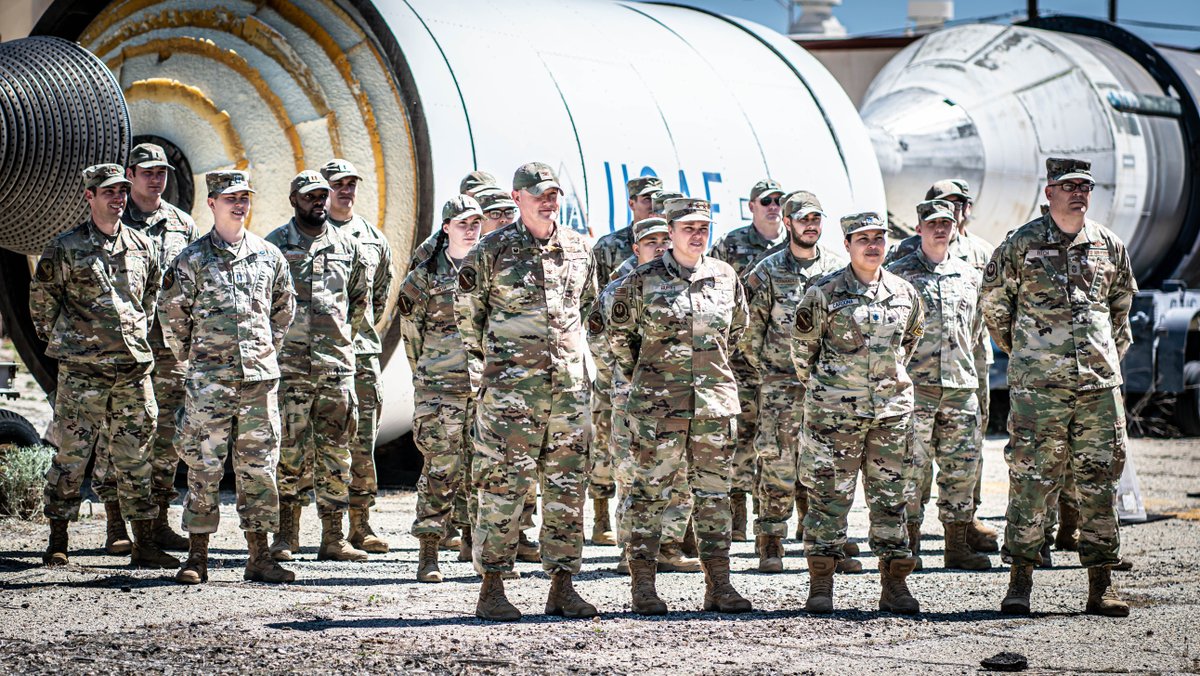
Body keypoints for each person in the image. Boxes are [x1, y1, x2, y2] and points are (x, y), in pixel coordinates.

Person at [982, 158, 1137, 617]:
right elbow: (994, 307)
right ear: (1048, 192)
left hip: (1098, 389)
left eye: (1085, 186)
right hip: (1039, 391)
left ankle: (1101, 586)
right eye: (1068, 186)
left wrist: (1102, 359)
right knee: (1031, 482)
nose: (1078, 193)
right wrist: (1029, 356)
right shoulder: (1022, 245)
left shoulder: (1109, 245)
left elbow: (1121, 308)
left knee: (1099, 484)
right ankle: (1020, 583)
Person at [456, 162, 598, 621]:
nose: (548, 200)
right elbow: (469, 318)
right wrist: (500, 372)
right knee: (502, 487)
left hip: (569, 393)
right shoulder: (492, 250)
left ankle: (563, 585)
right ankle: (493, 586)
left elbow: (587, 308)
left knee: (566, 488)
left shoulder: (579, 249)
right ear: (517, 198)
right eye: (538, 193)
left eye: (553, 192)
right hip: (511, 395)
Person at [607, 197, 752, 616]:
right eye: (688, 226)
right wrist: (654, 377)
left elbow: (736, 332)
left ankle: (719, 586)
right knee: (649, 495)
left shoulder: (725, 277)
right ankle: (644, 587)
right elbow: (622, 340)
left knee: (714, 496)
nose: (697, 233)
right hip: (658, 407)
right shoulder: (642, 280)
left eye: (703, 225)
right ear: (669, 231)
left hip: (712, 406)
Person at [32, 163, 177, 570]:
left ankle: (144, 543)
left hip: (132, 371)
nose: (117, 198)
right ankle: (58, 537)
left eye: (121, 192)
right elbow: (43, 307)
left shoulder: (141, 245)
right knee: (71, 457)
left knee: (136, 456)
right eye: (108, 192)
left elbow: (149, 301)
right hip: (83, 374)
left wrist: (131, 338)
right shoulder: (66, 247)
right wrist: (75, 345)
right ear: (89, 196)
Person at [159, 170, 297, 584]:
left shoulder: (268, 255)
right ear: (212, 203)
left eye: (244, 197)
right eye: (230, 198)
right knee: (203, 466)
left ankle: (259, 557)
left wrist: (263, 352)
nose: (239, 204)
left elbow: (283, 309)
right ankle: (197, 558)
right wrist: (196, 361)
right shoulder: (191, 259)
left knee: (259, 467)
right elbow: (173, 317)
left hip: (257, 382)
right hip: (209, 381)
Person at [791, 212, 925, 615]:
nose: (872, 245)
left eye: (878, 238)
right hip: (835, 417)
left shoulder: (905, 293)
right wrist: (834, 389)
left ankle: (894, 586)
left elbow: (910, 343)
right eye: (862, 238)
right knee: (829, 499)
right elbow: (803, 353)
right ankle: (821, 585)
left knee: (891, 500)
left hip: (890, 415)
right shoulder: (824, 292)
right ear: (847, 244)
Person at [90, 143, 197, 556]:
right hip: (123, 347)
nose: (156, 179)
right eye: (148, 172)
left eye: (162, 173)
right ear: (131, 174)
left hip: (169, 348)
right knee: (117, 433)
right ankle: (116, 525)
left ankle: (157, 522)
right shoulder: (113, 217)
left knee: (166, 434)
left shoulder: (181, 224)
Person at [886, 178, 998, 554]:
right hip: (916, 387)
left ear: (955, 226)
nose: (939, 228)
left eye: (946, 223)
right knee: (912, 469)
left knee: (961, 469)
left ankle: (957, 544)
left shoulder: (971, 275)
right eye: (932, 222)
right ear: (919, 228)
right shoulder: (898, 274)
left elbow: (979, 328)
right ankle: (910, 546)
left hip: (961, 385)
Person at [266, 170, 370, 563]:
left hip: (335, 368)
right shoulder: (275, 245)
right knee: (289, 452)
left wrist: (337, 341)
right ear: (294, 199)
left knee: (336, 454)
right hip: (290, 368)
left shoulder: (349, 246)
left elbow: (359, 303)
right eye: (311, 196)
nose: (320, 201)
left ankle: (333, 537)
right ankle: (286, 535)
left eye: (323, 195)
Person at [739, 191, 845, 573]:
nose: (811, 224)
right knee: (777, 465)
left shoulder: (835, 269)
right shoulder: (767, 271)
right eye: (803, 219)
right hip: (781, 387)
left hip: (825, 389)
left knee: (828, 468)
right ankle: (771, 542)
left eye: (816, 218)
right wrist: (772, 371)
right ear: (787, 223)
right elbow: (749, 332)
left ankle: (827, 545)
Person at [587, 217, 698, 576]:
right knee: (632, 474)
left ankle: (668, 546)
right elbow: (599, 341)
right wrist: (623, 382)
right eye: (652, 243)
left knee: (679, 474)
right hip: (633, 398)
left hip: (680, 396)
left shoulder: (686, 287)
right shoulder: (620, 290)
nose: (661, 248)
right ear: (637, 250)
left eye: (667, 241)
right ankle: (632, 551)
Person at [400, 195, 484, 582]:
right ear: (446, 227)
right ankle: (429, 552)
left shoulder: (489, 270)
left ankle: (475, 546)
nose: (471, 229)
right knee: (440, 469)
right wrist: (428, 374)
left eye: (476, 222)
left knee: (481, 470)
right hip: (440, 388)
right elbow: (411, 334)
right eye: (463, 223)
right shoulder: (425, 276)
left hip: (483, 386)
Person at [320, 158, 395, 554]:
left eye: (351, 184)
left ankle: (360, 525)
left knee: (362, 442)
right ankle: (302, 529)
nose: (345, 190)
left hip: (360, 353)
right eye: (338, 184)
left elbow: (379, 295)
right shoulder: (308, 235)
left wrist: (356, 333)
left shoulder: (371, 237)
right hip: (314, 355)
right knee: (310, 442)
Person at [710, 179, 788, 541]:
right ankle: (738, 515)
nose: (774, 206)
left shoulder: (795, 245)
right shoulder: (732, 244)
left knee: (782, 442)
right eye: (766, 201)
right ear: (752, 206)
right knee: (740, 438)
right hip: (740, 361)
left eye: (779, 201)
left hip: (783, 364)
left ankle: (775, 517)